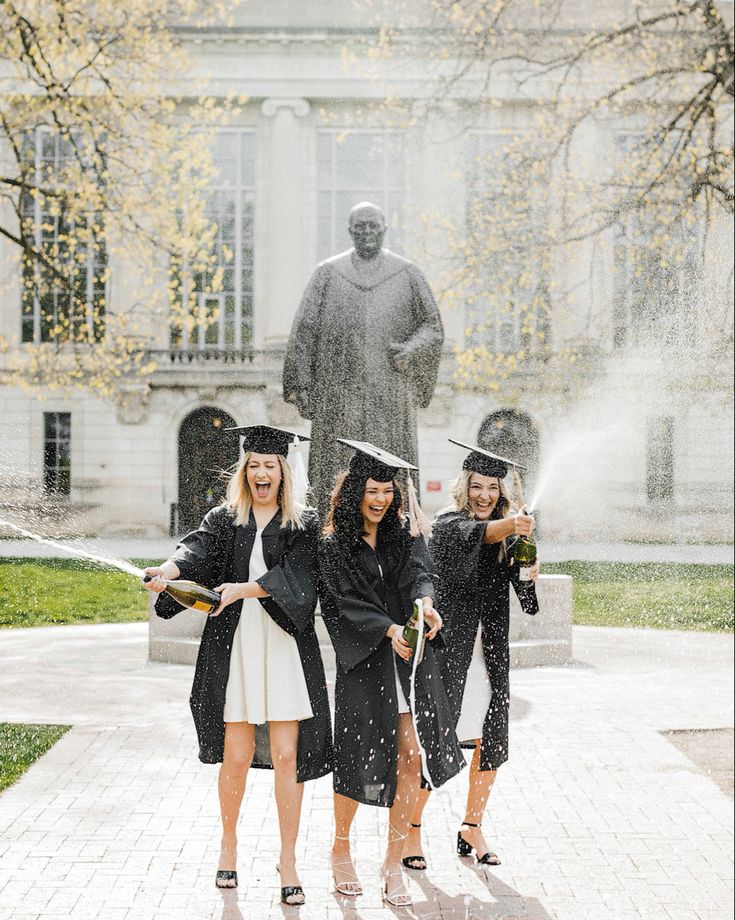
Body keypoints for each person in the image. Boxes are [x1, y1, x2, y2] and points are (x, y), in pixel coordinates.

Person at [142, 426, 332, 906]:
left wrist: (246, 589)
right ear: (244, 471)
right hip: (234, 648)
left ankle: (288, 859)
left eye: (270, 465)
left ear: (283, 471)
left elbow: (302, 578)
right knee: (237, 755)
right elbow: (196, 550)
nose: (261, 473)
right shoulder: (225, 518)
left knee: (288, 757)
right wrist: (168, 572)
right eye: (254, 465)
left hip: (284, 644)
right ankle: (228, 846)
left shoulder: (303, 524)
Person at [318, 440, 463, 907]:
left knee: (410, 756)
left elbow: (421, 574)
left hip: (407, 661)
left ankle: (391, 861)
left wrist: (424, 604)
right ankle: (341, 847)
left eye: (386, 491)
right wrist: (387, 629)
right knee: (356, 755)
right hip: (365, 662)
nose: (379, 499)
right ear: (354, 492)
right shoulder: (333, 544)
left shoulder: (404, 534)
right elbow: (344, 599)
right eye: (371, 490)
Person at [403, 440, 539, 871]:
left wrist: (528, 574)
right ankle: (411, 831)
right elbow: (475, 535)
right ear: (465, 487)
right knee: (436, 739)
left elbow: (528, 602)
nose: (484, 495)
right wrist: (511, 526)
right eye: (477, 486)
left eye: (492, 488)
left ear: (501, 492)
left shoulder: (508, 536)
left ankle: (471, 827)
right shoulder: (448, 525)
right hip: (451, 656)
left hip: (491, 657)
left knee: (489, 740)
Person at [282, 201, 444, 514]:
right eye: (361, 226)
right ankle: (327, 535)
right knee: (335, 470)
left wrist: (412, 349)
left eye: (373, 225)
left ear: (385, 229)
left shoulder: (408, 273)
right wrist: (302, 385)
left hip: (390, 394)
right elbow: (303, 332)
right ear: (350, 230)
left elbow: (433, 329)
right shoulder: (327, 274)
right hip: (337, 397)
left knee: (392, 467)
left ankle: (401, 531)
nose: (367, 231)